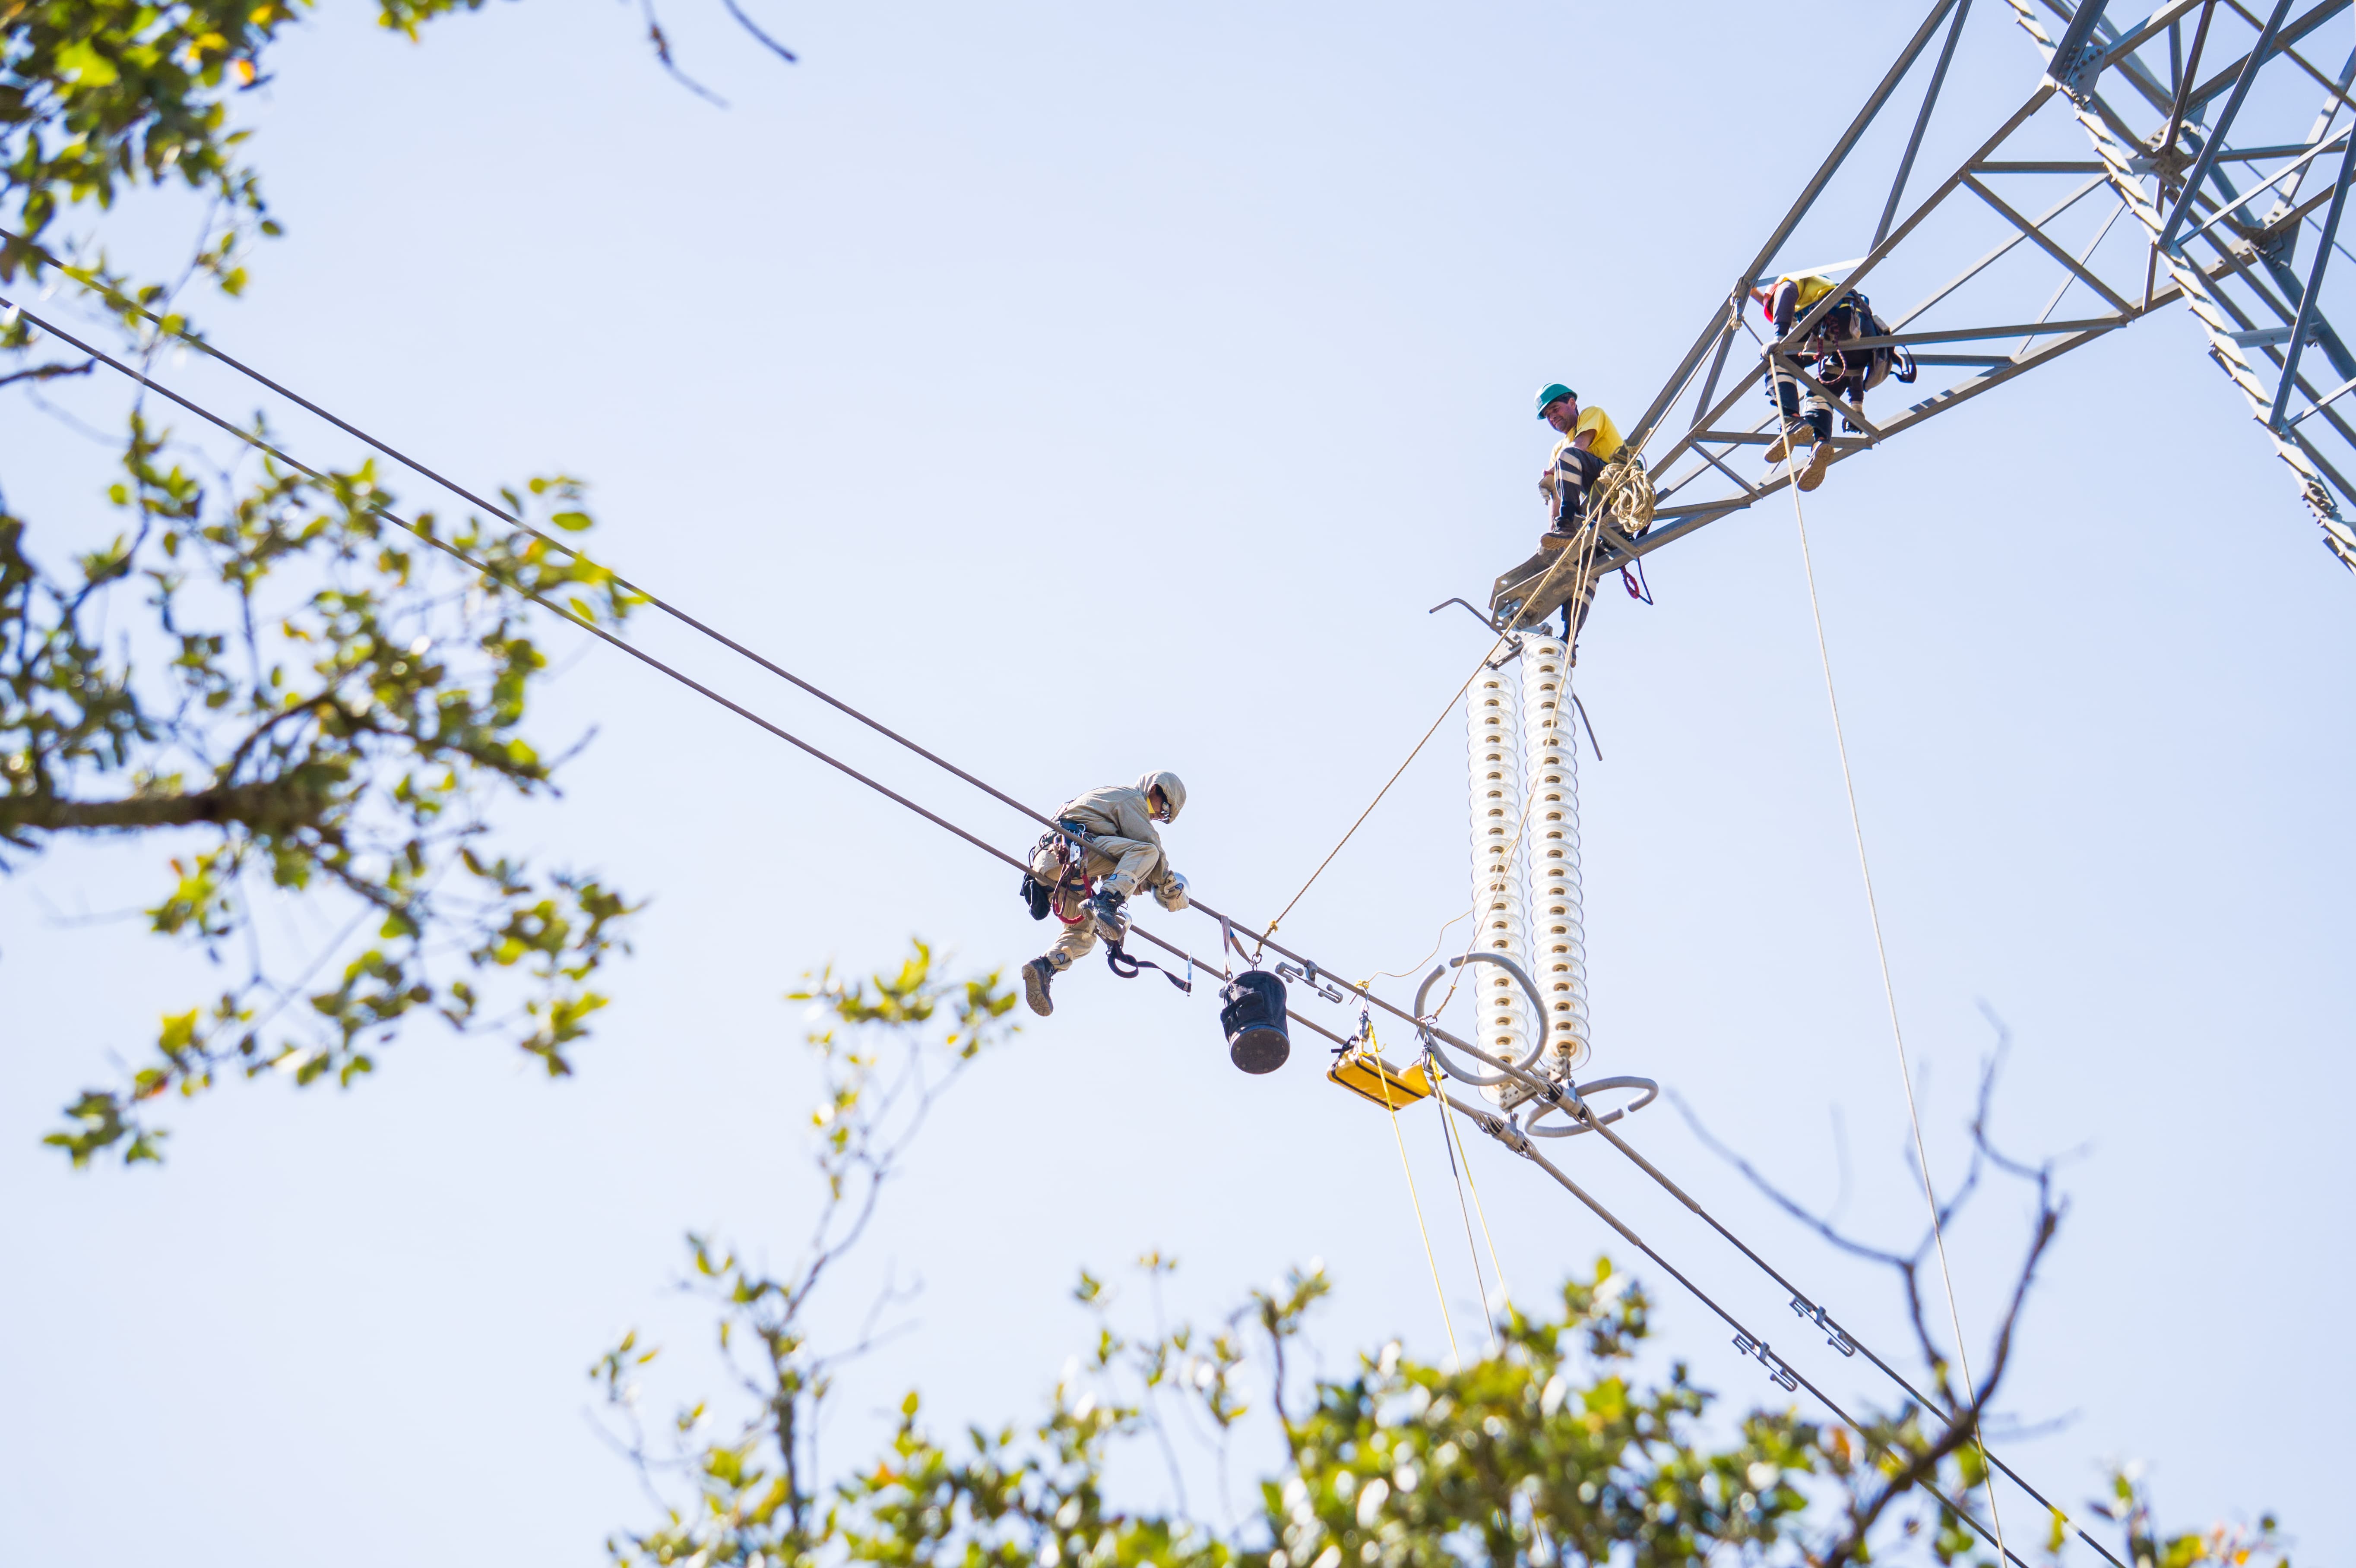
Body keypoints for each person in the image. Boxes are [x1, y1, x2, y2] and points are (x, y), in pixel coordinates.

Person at [1021, 770, 1190, 1017]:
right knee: (1149, 852)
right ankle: (1106, 901)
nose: (1158, 816)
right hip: (1072, 854)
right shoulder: (1131, 799)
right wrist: (1171, 888)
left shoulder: (1112, 808)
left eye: (1165, 817)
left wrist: (1152, 885)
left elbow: (1126, 865)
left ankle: (1045, 966)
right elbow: (1150, 848)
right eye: (1164, 808)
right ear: (1155, 789)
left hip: (1060, 868)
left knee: (1084, 934)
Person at [1756, 272, 1912, 493]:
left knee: (1777, 361)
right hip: (1861, 343)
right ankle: (1821, 443)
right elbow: (1853, 370)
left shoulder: (1791, 283)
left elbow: (1786, 292)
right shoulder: (1840, 298)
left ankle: (1791, 420)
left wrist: (1779, 336)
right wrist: (1856, 407)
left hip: (1835, 320)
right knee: (1820, 394)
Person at [1532, 382, 1625, 644]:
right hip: (1598, 510)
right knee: (1584, 568)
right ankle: (1570, 637)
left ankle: (1567, 524)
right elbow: (1556, 494)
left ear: (1572, 402)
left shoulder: (1591, 414)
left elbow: (1580, 446)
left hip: (1617, 487)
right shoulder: (1558, 450)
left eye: (1556, 409)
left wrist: (1558, 469)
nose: (1553, 417)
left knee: (1568, 456)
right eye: (1548, 415)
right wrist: (1555, 538)